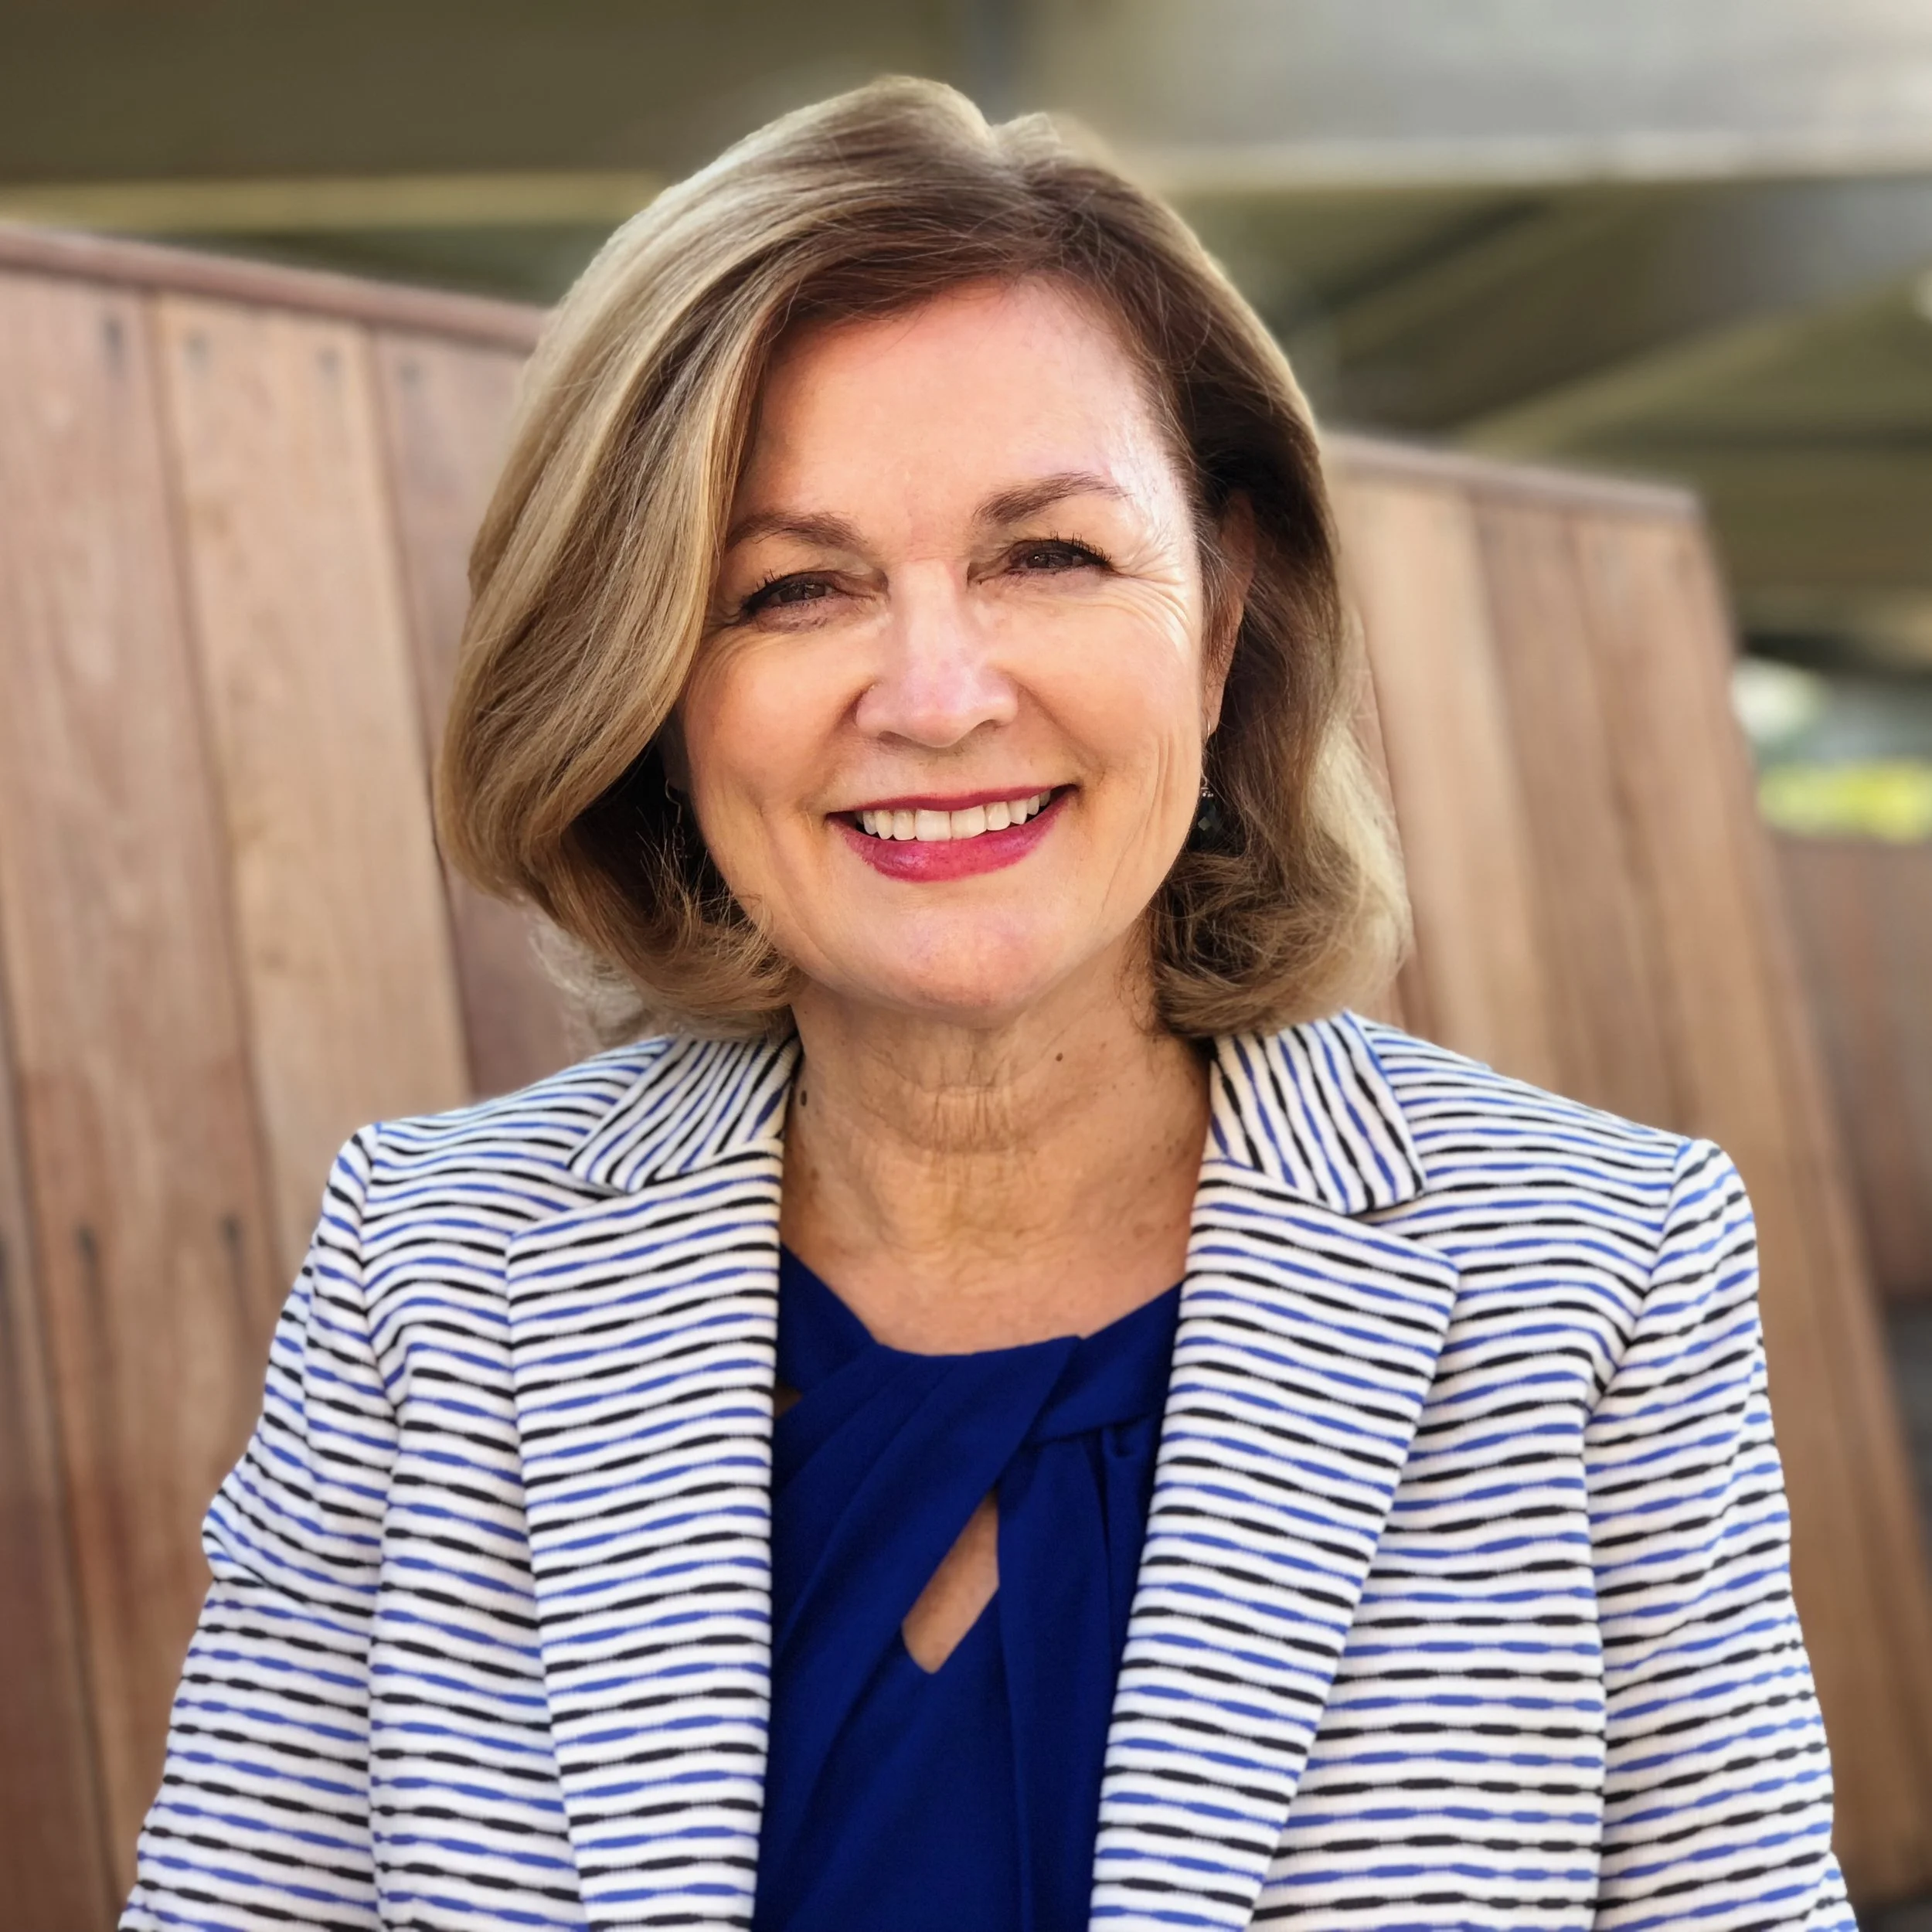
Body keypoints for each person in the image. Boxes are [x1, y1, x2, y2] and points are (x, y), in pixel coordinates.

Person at [123, 77, 1849, 1932]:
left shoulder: (1594, 1262)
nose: (935, 693)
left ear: (1214, 618)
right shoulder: (432, 1271)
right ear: (653, 686)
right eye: (793, 588)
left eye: (1047, 555)